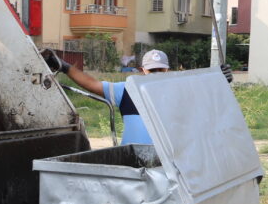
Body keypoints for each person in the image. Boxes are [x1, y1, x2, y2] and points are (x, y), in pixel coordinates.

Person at [42, 49, 232, 145]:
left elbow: (207, 97)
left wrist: (220, 80)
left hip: (168, 161)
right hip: (133, 159)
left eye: (161, 69)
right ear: (143, 71)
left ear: (168, 69)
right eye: (152, 70)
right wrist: (64, 66)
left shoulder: (179, 89)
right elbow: (92, 84)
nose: (157, 73)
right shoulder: (127, 89)